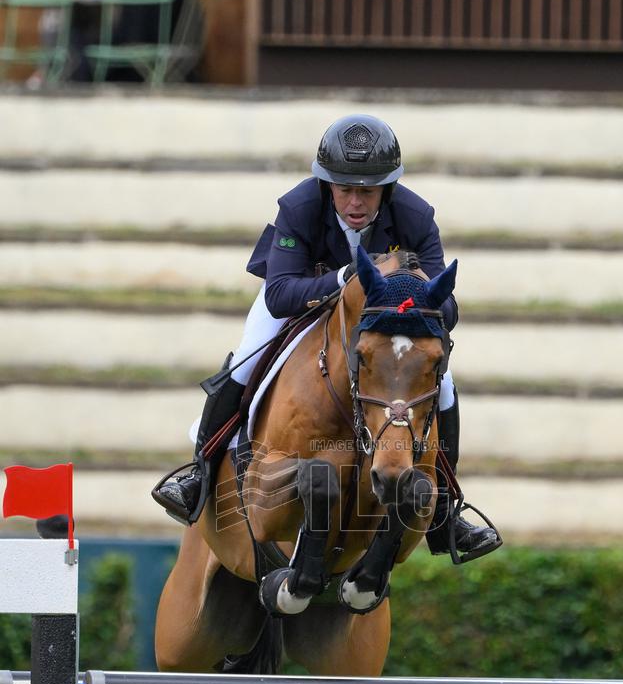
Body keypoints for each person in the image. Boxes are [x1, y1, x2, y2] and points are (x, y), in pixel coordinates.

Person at [153, 113, 500, 560]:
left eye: (367, 190)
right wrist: (343, 277)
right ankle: (200, 470)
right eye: (344, 189)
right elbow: (279, 294)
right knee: (245, 360)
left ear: (386, 188)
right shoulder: (299, 208)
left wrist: (413, 292)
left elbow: (446, 309)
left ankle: (446, 509)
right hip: (304, 299)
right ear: (327, 185)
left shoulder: (415, 216)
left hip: (379, 318)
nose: (355, 201)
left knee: (444, 385)